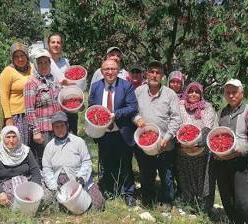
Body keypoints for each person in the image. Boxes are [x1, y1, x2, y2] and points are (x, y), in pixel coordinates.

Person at [88, 59, 138, 207]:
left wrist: (116, 114)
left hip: (121, 132)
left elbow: (133, 107)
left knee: (126, 164)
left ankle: (129, 193)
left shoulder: (126, 86)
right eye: (106, 69)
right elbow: (91, 106)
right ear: (101, 71)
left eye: (113, 69)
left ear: (118, 70)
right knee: (106, 162)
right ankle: (109, 190)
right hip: (104, 133)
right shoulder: (96, 87)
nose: (110, 72)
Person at [133, 60, 182, 210]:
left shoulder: (170, 94)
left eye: (158, 72)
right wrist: (136, 119)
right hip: (144, 141)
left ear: (162, 76)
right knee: (146, 171)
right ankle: (147, 198)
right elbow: (131, 111)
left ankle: (166, 200)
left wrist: (167, 138)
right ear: (147, 74)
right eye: (152, 72)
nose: (154, 75)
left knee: (166, 173)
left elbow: (176, 118)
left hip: (164, 143)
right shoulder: (138, 92)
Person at [214, 79, 248, 224]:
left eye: (234, 92)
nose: (231, 96)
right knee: (227, 199)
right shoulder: (221, 112)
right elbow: (215, 134)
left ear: (242, 94)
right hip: (222, 162)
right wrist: (215, 150)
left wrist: (239, 151)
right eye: (228, 93)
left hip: (240, 162)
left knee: (243, 203)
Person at [42, 112, 105, 211]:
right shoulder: (49, 146)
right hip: (59, 182)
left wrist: (81, 179)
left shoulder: (78, 142)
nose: (59, 129)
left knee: (98, 203)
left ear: (67, 125)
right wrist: (53, 186)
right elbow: (47, 169)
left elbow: (86, 162)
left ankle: (75, 205)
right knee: (47, 201)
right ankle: (66, 205)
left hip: (78, 179)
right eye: (56, 127)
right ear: (53, 129)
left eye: (62, 126)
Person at [176, 82, 217, 215]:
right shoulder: (180, 106)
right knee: (186, 177)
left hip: (202, 151)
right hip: (183, 149)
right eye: (190, 91)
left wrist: (198, 142)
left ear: (201, 94)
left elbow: (208, 127)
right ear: (186, 92)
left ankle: (205, 208)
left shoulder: (207, 107)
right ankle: (189, 204)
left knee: (203, 179)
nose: (193, 94)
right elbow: (176, 122)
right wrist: (182, 140)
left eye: (197, 92)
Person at [0, 126, 42, 206]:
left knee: (44, 196)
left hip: (27, 182)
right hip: (7, 185)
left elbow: (35, 170)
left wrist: (34, 189)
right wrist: (0, 192)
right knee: (1, 198)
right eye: (8, 137)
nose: (11, 141)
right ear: (3, 138)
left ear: (18, 137)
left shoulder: (25, 151)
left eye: (14, 137)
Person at [24, 48, 61, 167]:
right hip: (43, 129)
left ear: (50, 64)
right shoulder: (32, 83)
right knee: (44, 160)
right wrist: (35, 131)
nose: (43, 65)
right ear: (36, 65)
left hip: (56, 127)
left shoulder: (53, 80)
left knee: (56, 158)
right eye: (40, 62)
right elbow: (29, 109)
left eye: (46, 62)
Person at [0, 43, 33, 145]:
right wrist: (8, 118)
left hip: (32, 112)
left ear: (26, 56)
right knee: (18, 144)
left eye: (22, 55)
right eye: (16, 56)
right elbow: (3, 96)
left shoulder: (32, 68)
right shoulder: (8, 71)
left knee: (33, 143)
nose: (20, 59)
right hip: (17, 116)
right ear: (12, 58)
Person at [47, 32, 80, 135]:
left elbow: (71, 79)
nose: (56, 44)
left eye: (58, 42)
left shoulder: (65, 61)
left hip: (68, 103)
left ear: (61, 45)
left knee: (71, 133)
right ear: (48, 44)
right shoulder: (44, 61)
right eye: (53, 42)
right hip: (52, 105)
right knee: (56, 134)